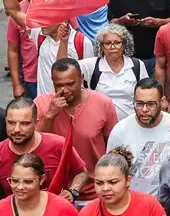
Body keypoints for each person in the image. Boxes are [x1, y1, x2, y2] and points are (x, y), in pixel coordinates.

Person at [0, 97, 86, 209]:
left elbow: (81, 173)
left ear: (36, 123)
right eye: (11, 123)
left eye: (24, 124)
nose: (16, 129)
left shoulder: (58, 145)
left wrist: (73, 191)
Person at [60, 147, 170, 216]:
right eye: (99, 183)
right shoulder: (87, 212)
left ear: (128, 181)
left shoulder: (150, 205)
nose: (105, 188)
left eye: (113, 182)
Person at [34, 58, 119, 188]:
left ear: (81, 79)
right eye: (59, 85)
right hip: (54, 190)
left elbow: (113, 146)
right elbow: (33, 144)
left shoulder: (103, 104)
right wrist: (50, 116)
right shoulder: (41, 104)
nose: (65, 90)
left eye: (70, 84)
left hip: (96, 189)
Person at [106, 79, 170, 195]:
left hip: (167, 204)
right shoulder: (120, 130)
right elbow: (111, 171)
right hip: (132, 204)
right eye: (139, 104)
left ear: (162, 102)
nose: (144, 109)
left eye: (151, 104)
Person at [80, 24, 145, 119]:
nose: (112, 47)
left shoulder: (137, 65)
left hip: (131, 123)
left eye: (117, 42)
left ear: (124, 45)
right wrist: (64, 42)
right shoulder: (92, 65)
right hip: (101, 124)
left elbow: (146, 94)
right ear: (101, 46)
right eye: (107, 43)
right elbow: (63, 68)